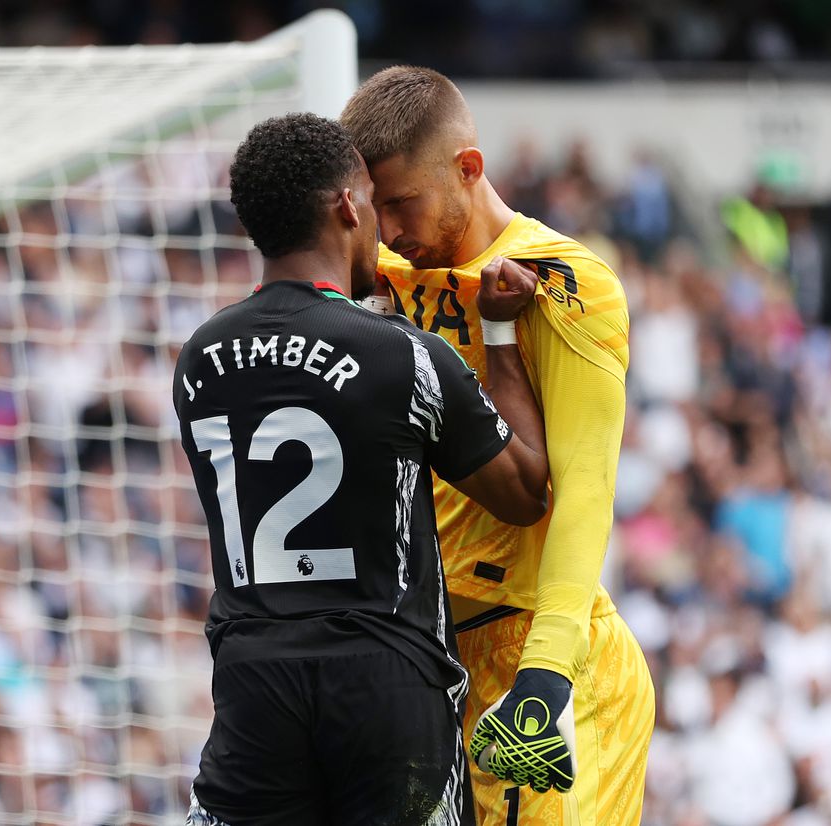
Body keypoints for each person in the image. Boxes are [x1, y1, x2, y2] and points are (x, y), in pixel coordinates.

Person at [174, 112, 552, 826]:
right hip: (385, 685)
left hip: (255, 683)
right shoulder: (400, 354)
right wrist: (499, 333)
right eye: (372, 203)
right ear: (348, 205)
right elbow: (527, 490)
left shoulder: (200, 358)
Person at [342, 68, 655, 826]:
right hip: (427, 664)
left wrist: (545, 675)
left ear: (468, 169)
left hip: (536, 664)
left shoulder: (562, 281)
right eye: (372, 207)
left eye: (402, 202)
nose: (388, 227)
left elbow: (583, 488)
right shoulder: (373, 279)